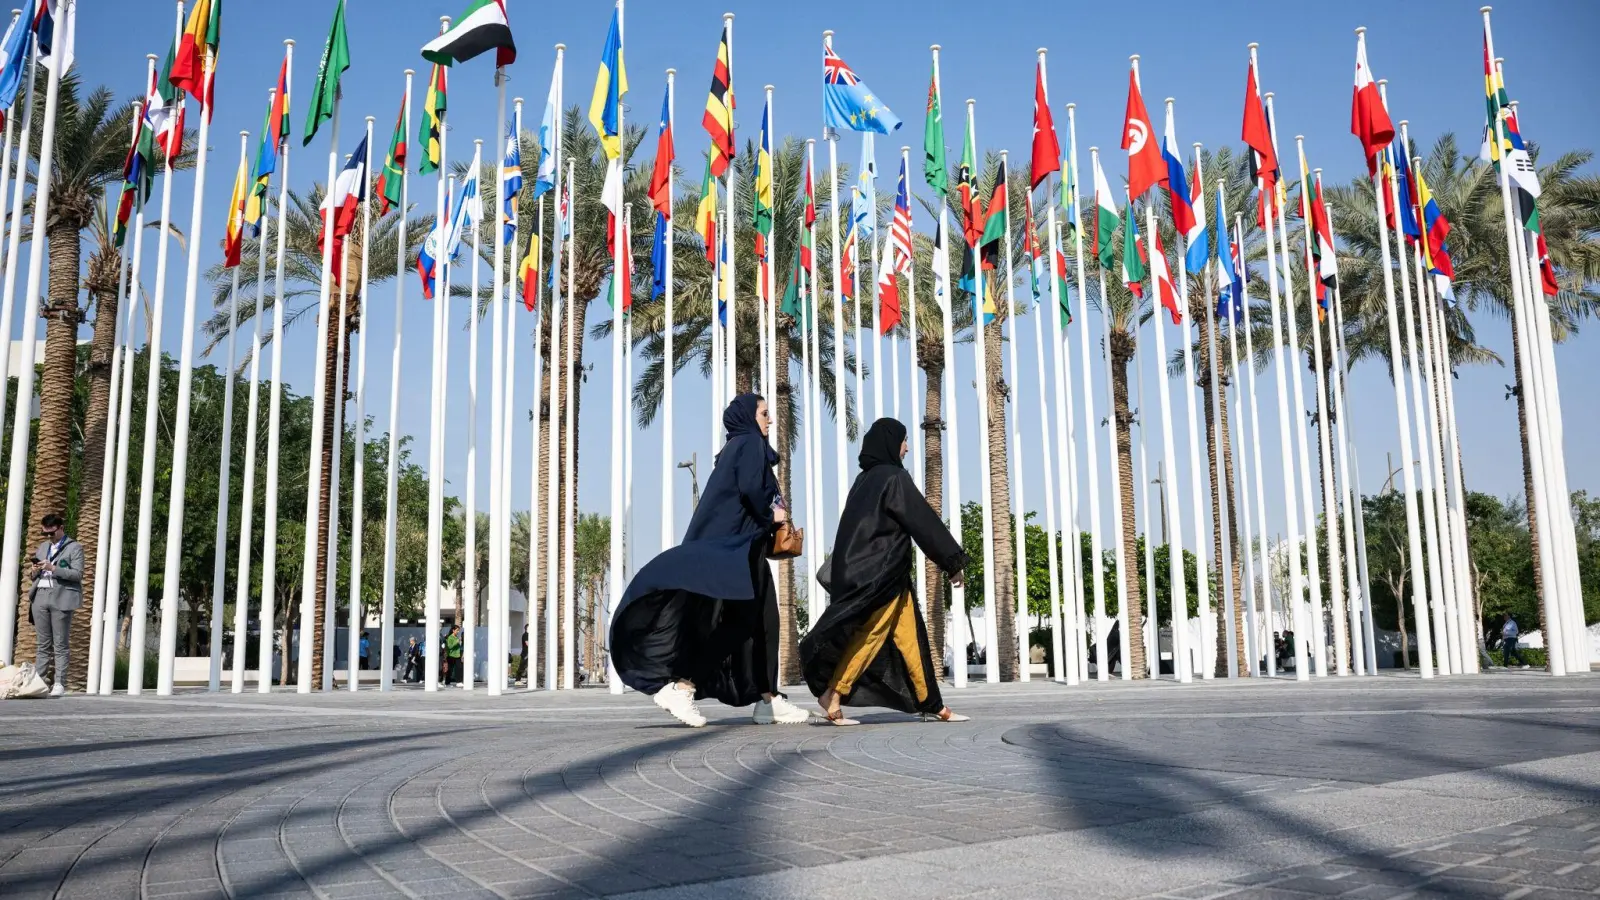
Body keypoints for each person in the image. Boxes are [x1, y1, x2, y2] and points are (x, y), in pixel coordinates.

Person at [609, 394, 811, 728]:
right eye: (764, 413)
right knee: (741, 624)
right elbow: (751, 489)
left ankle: (768, 700)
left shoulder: (739, 448)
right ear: (747, 417)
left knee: (765, 623)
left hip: (746, 551)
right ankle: (682, 686)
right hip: (734, 553)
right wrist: (773, 513)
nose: (769, 420)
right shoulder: (748, 443)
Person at [800, 419, 970, 725]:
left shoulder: (864, 481)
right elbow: (922, 521)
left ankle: (934, 704)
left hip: (880, 574)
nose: (906, 447)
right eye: (904, 440)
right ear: (891, 442)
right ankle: (833, 696)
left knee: (910, 639)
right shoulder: (894, 477)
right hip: (881, 575)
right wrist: (952, 561)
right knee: (872, 634)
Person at [29, 514, 82, 697]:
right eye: (45, 534)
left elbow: (77, 575)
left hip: (62, 597)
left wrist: (53, 569)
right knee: (42, 644)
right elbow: (33, 576)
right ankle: (40, 682)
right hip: (40, 596)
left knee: (60, 643)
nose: (48, 538)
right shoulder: (43, 547)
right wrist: (34, 570)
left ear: (60, 528)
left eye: (51, 534)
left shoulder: (74, 548)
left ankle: (60, 682)